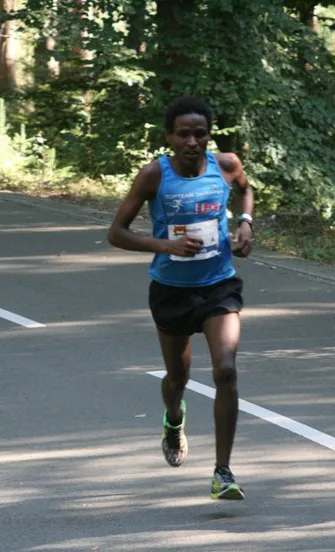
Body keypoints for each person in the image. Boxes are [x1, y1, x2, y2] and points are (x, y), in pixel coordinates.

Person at [107, 96, 254, 500]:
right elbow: (116, 233)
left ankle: (223, 471)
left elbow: (246, 191)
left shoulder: (226, 165)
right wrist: (165, 246)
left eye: (200, 133)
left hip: (219, 286)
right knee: (178, 378)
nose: (192, 141)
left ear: (209, 134)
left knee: (225, 370)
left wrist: (245, 225)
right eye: (183, 134)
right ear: (169, 137)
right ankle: (174, 419)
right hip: (171, 290)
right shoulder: (154, 174)